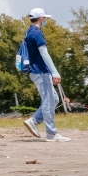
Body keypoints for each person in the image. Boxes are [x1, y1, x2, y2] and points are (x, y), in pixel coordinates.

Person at [20, 10, 69, 142]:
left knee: (53, 99)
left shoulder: (29, 32)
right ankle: (51, 134)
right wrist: (54, 72)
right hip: (41, 71)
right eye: (45, 18)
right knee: (48, 101)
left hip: (35, 71)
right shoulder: (37, 33)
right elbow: (44, 54)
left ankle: (34, 120)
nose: (46, 20)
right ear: (41, 19)